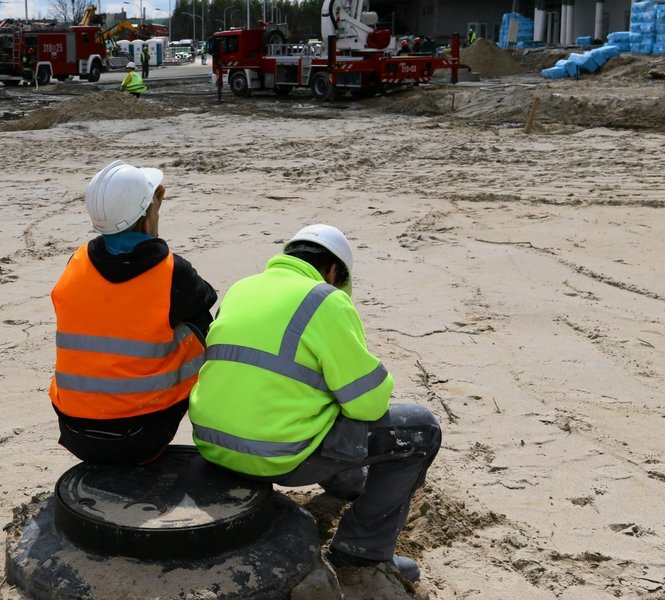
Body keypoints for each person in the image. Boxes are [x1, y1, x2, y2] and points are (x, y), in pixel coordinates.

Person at [189, 224, 441, 583]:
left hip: (213, 446)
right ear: (335, 271)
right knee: (420, 428)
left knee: (312, 396)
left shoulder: (242, 288)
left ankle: (347, 485)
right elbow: (369, 405)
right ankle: (362, 551)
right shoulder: (326, 300)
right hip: (276, 456)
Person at [49, 160, 217, 465]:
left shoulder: (76, 262)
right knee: (204, 329)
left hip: (75, 431)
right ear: (145, 218)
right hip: (142, 436)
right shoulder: (171, 272)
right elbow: (203, 304)